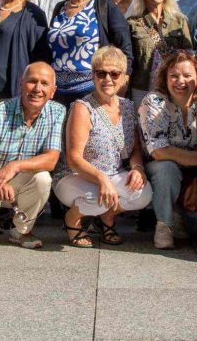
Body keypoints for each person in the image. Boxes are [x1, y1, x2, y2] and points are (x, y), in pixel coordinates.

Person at [55, 47, 151, 248]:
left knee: (144, 194)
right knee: (98, 198)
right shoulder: (83, 108)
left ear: (124, 78)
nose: (108, 79)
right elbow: (74, 159)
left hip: (113, 174)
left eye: (114, 73)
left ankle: (105, 218)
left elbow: (134, 149)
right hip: (76, 177)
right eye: (101, 73)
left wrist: (137, 168)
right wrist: (101, 179)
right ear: (93, 76)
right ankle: (72, 219)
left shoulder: (127, 106)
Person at [0, 62, 65, 248]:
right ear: (21, 84)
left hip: (19, 178)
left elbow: (51, 159)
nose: (37, 89)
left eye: (44, 84)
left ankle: (21, 230)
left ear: (53, 91)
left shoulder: (57, 111)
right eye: (32, 81)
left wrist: (15, 166)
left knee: (43, 179)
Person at [139, 51, 197, 249]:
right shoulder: (154, 102)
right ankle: (164, 225)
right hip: (159, 166)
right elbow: (159, 151)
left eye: (187, 76)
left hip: (196, 169)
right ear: (165, 78)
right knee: (167, 168)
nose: (180, 81)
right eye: (174, 76)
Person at [48, 0, 133, 106]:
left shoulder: (103, 5)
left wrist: (122, 82)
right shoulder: (59, 8)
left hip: (92, 90)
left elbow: (125, 47)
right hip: (58, 93)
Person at [126, 0, 193, 105]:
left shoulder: (179, 21)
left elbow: (189, 57)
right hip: (142, 89)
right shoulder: (132, 23)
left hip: (174, 88)